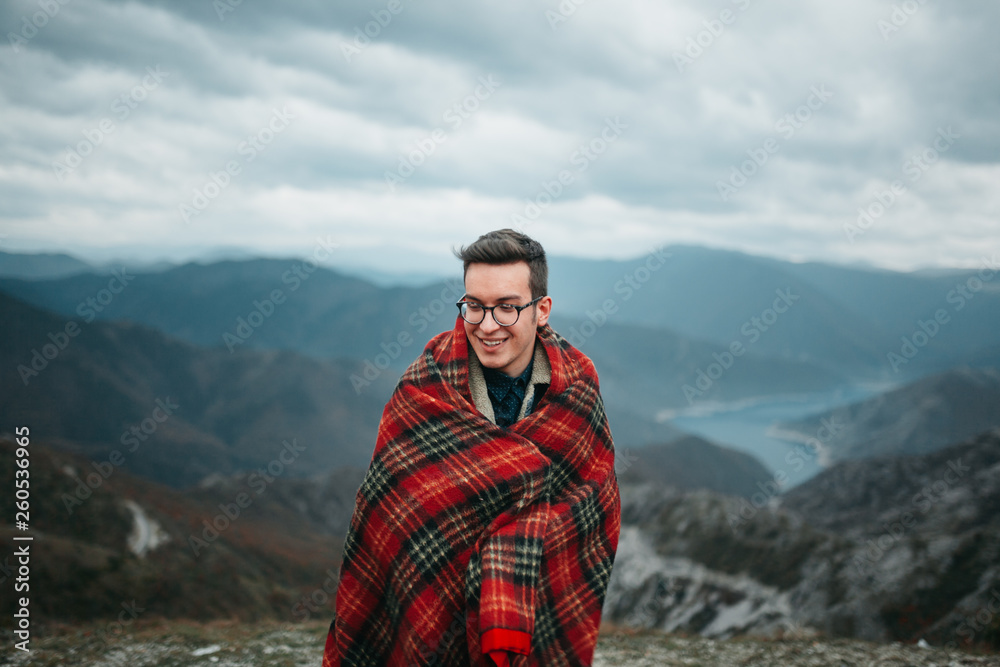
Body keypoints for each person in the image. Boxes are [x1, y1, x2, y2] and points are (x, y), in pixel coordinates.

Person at [323, 229, 621, 666]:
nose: (486, 325)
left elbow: (593, 507)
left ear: (541, 310)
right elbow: (389, 517)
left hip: (535, 609)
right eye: (474, 306)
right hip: (429, 606)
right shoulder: (424, 386)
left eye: (506, 307)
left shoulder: (576, 386)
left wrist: (507, 550)